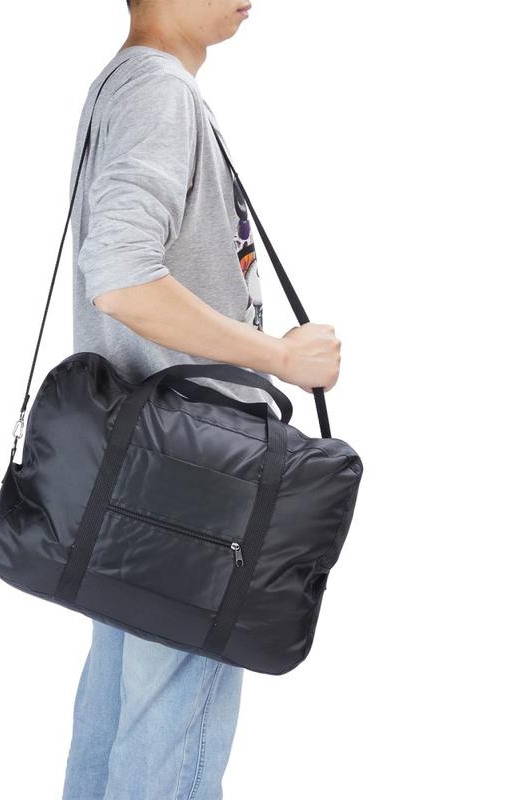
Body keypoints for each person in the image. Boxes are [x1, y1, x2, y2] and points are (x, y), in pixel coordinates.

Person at [62, 2, 341, 798]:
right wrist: (280, 356)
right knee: (169, 733)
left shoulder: (125, 83)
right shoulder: (158, 91)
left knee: (120, 708)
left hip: (135, 462)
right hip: (193, 479)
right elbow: (121, 278)